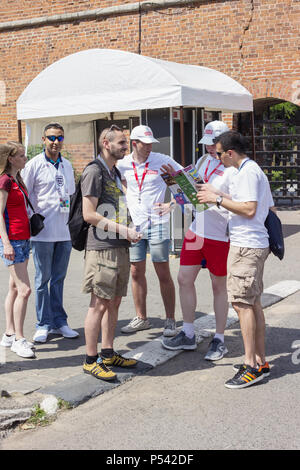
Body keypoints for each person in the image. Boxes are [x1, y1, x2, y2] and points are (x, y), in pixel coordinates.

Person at [197, 130, 274, 389]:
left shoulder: (248, 172)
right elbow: (245, 204)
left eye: (219, 153)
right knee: (251, 303)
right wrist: (215, 196)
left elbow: (250, 209)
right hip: (247, 245)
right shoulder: (246, 171)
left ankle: (251, 365)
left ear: (230, 152)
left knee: (242, 305)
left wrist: (217, 198)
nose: (217, 158)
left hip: (247, 246)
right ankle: (259, 361)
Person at [162, 121, 234, 361]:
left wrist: (216, 194)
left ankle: (219, 339)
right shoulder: (204, 161)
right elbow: (190, 192)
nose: (211, 149)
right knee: (184, 278)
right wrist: (173, 197)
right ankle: (189, 333)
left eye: (215, 144)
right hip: (196, 230)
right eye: (208, 144)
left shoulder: (234, 168)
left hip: (220, 233)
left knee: (218, 286)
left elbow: (241, 201)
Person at [81, 125, 140, 381]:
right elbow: (89, 214)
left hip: (119, 245)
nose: (126, 148)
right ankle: (90, 360)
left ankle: (108, 352)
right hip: (103, 249)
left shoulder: (113, 171)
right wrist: (123, 230)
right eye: (122, 143)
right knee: (99, 304)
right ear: (106, 143)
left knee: (114, 302)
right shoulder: (94, 171)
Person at [117, 125, 182, 337]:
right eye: (145, 144)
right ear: (134, 144)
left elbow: (186, 182)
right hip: (134, 225)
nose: (149, 147)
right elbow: (120, 184)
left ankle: (170, 320)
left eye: (151, 143)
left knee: (162, 271)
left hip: (157, 223)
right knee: (136, 271)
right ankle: (141, 318)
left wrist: (171, 205)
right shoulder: (123, 164)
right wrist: (126, 201)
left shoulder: (161, 160)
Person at [22, 123, 79, 343]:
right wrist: (33, 220)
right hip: (42, 233)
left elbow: (71, 195)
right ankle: (42, 324)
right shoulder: (33, 165)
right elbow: (25, 196)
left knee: (58, 279)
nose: (56, 142)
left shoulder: (66, 165)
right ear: (43, 140)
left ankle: (59, 322)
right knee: (41, 280)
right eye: (52, 138)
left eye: (60, 138)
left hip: (63, 232)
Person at [0, 142, 35, 358]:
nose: (25, 159)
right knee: (25, 290)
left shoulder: (16, 180)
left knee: (14, 288)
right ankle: (19, 340)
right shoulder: (4, 181)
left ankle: (9, 333)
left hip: (23, 239)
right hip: (12, 241)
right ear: (10, 159)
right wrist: (6, 243)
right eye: (21, 156)